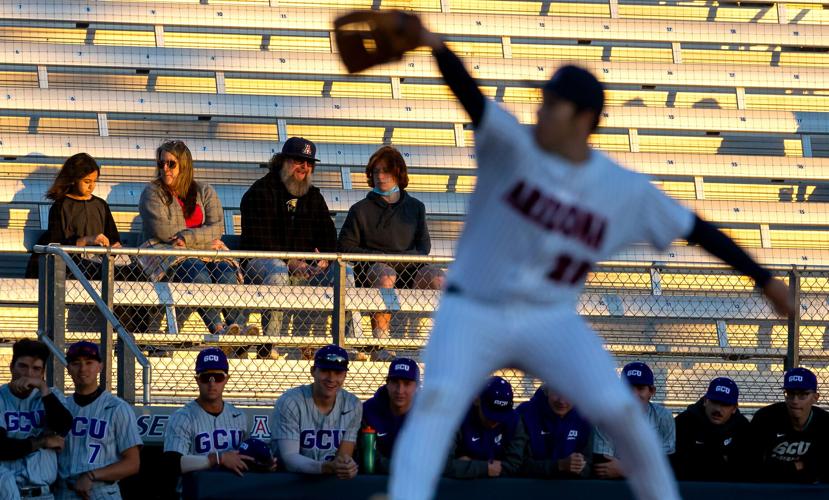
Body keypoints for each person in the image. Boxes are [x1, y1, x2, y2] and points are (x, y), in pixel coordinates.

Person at [376, 16, 791, 500]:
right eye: (543, 99)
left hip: (549, 319)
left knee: (622, 414)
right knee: (438, 401)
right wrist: (434, 44)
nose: (541, 110)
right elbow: (472, 98)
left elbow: (697, 229)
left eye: (553, 104)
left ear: (583, 119)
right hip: (472, 310)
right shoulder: (512, 146)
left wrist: (764, 279)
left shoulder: (621, 190)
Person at [239, 137, 340, 355]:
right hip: (261, 265)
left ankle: (345, 347)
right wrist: (289, 261)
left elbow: (330, 236)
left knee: (344, 272)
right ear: (283, 161)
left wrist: (324, 259)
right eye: (298, 161)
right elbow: (259, 240)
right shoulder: (260, 191)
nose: (304, 167)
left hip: (304, 267)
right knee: (278, 270)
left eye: (309, 163)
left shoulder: (313, 196)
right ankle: (269, 345)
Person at [138, 139, 246, 337]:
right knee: (198, 272)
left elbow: (217, 227)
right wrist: (202, 239)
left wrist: (187, 239)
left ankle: (237, 328)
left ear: (184, 166)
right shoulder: (152, 193)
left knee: (225, 271)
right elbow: (163, 231)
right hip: (167, 251)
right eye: (161, 163)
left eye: (171, 164)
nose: (165, 168)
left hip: (198, 250)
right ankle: (218, 328)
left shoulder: (204, 190)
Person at [338, 145, 443, 339]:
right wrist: (378, 258)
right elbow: (345, 246)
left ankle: (444, 341)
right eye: (376, 171)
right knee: (385, 274)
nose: (380, 176)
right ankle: (381, 342)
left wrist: (398, 260)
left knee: (439, 277)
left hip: (409, 269)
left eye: (386, 170)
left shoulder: (416, 207)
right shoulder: (360, 209)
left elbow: (424, 248)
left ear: (397, 173)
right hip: (374, 270)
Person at [162, 348, 267, 496]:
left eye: (217, 377)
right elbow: (171, 464)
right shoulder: (182, 417)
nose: (212, 384)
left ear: (226, 379)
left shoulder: (240, 417)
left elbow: (247, 459)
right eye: (206, 377)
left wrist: (265, 463)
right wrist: (218, 458)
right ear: (197, 380)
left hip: (233, 492)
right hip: (195, 493)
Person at [56, 341, 141, 499]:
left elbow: (132, 463)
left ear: (100, 367)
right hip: (64, 491)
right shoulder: (61, 407)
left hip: (102, 491)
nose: (83, 369)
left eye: (89, 363)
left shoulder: (117, 407)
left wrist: (91, 475)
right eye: (76, 363)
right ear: (68, 369)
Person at [269, 345, 361, 478]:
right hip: (289, 482)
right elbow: (289, 458)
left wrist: (346, 466)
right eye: (325, 370)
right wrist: (325, 467)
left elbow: (343, 458)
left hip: (330, 483)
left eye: (338, 373)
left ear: (345, 375)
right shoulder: (290, 401)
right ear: (313, 371)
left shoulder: (352, 404)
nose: (331, 378)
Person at [26, 153, 122, 280]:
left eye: (94, 181)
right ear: (73, 179)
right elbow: (55, 243)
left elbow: (113, 237)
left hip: (98, 266)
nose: (91, 186)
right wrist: (86, 240)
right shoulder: (60, 205)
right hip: (69, 267)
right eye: (87, 181)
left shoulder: (101, 205)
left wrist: (114, 245)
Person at [0, 339, 72, 500]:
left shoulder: (51, 396)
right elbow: (1, 447)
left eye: (36, 369)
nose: (29, 374)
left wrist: (43, 389)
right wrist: (41, 443)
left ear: (42, 373)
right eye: (23, 366)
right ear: (11, 367)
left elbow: (62, 426)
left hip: (42, 494)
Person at [592, 362, 675, 480]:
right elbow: (604, 468)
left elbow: (666, 467)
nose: (634, 395)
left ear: (651, 391)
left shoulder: (663, 416)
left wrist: (625, 469)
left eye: (640, 388)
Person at [750, 367, 829, 483]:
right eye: (790, 393)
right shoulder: (765, 418)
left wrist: (779, 467)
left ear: (815, 398)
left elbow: (824, 468)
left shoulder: (825, 423)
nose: (795, 401)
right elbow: (752, 466)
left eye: (803, 394)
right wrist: (799, 466)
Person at [444, 376, 527, 479]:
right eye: (490, 415)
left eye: (501, 416)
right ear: (477, 400)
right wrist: (486, 467)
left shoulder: (514, 420)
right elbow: (442, 466)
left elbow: (514, 465)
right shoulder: (458, 418)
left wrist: (467, 467)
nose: (495, 422)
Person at [672, 377, 752, 481]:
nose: (718, 409)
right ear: (705, 401)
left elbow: (747, 470)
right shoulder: (684, 422)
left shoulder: (742, 427)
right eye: (714, 402)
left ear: (734, 408)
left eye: (725, 404)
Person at [516, 385, 592, 478]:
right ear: (547, 390)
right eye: (557, 392)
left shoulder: (585, 417)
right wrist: (559, 466)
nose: (562, 401)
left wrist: (579, 467)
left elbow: (589, 466)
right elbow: (517, 465)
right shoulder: (526, 414)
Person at [360, 358, 420, 473]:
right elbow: (367, 458)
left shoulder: (427, 415)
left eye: (407, 384)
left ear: (416, 387)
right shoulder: (368, 411)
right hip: (375, 479)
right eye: (395, 382)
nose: (400, 390)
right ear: (387, 383)